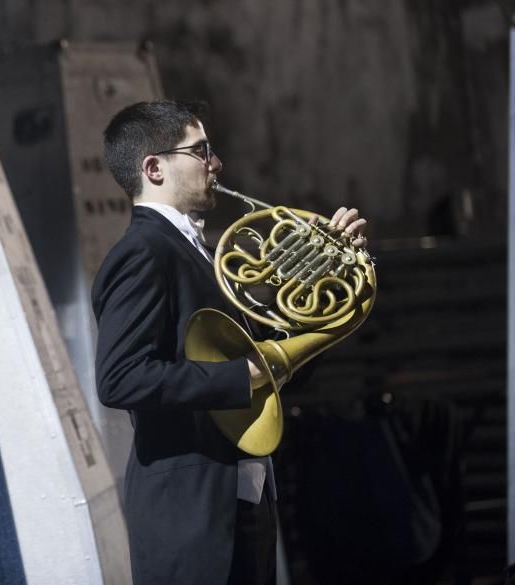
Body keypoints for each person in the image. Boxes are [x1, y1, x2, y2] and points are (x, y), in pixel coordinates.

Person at [91, 101, 367, 585]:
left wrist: (334, 269)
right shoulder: (142, 252)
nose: (216, 164)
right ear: (153, 168)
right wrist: (240, 376)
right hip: (188, 515)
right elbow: (119, 378)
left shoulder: (204, 252)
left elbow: (270, 362)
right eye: (201, 151)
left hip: (244, 499)